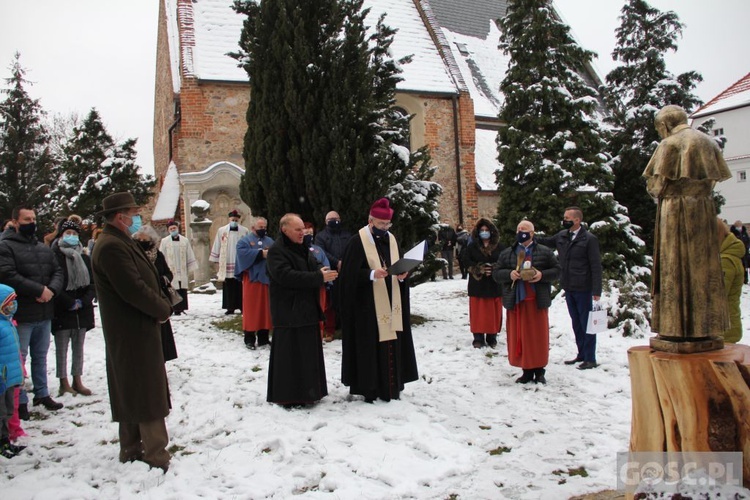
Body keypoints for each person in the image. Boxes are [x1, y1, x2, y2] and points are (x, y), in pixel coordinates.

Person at [91, 192, 173, 471]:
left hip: (133, 328)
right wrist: (162, 308)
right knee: (145, 389)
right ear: (120, 217)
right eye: (133, 213)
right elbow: (133, 289)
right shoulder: (111, 246)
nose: (137, 218)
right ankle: (155, 452)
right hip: (131, 328)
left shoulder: (120, 240)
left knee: (132, 386)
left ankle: (131, 447)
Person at [643, 105, 732, 343]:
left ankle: (676, 327)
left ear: (664, 124)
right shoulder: (709, 143)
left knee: (675, 264)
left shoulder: (669, 144)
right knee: (703, 265)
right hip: (703, 209)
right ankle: (706, 326)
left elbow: (657, 185)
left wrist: (656, 188)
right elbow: (713, 179)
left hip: (675, 209)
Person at [339, 198, 418, 402]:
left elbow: (398, 264)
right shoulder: (357, 242)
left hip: (392, 302)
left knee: (392, 343)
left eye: (388, 224)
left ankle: (392, 386)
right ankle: (370, 387)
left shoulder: (391, 239)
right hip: (367, 307)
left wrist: (402, 275)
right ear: (371, 221)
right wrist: (372, 274)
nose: (385, 228)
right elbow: (347, 275)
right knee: (370, 347)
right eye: (381, 224)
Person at [266, 214, 338, 406]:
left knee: (308, 355)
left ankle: (310, 392)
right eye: (298, 229)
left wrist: (323, 271)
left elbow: (314, 266)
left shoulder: (303, 248)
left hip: (307, 309)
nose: (302, 233)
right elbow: (285, 276)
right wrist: (317, 277)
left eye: (303, 229)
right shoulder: (276, 251)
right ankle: (289, 396)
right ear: (284, 229)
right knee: (290, 356)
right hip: (288, 311)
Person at [0, 204, 64, 417]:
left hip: (44, 311)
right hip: (22, 313)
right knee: (20, 360)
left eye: (34, 219)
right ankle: (20, 401)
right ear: (16, 222)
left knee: (41, 355)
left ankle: (42, 393)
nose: (32, 223)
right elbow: (8, 275)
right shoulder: (6, 246)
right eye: (27, 220)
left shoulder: (42, 247)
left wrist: (51, 290)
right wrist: (38, 290)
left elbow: (57, 270)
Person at [494, 220, 560, 384]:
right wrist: (509, 274)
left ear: (532, 233)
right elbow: (496, 273)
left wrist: (541, 275)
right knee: (520, 337)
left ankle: (539, 370)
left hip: (536, 301)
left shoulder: (544, 252)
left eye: (524, 229)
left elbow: (558, 270)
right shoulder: (508, 253)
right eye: (518, 229)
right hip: (517, 301)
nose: (520, 231)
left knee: (537, 337)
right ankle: (526, 370)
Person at [537, 207, 602, 370]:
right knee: (576, 322)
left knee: (586, 323)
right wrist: (531, 236)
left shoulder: (588, 239)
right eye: (564, 217)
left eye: (567, 217)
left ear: (577, 220)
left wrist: (596, 290)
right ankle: (581, 353)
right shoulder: (562, 236)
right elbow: (546, 241)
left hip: (584, 287)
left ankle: (590, 357)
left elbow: (596, 265)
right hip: (568, 286)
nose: (564, 220)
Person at [51, 220, 96, 396]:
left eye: (74, 233)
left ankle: (77, 379)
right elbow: (54, 283)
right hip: (63, 308)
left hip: (82, 309)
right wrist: (68, 302)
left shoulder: (84, 257)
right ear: (61, 235)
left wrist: (84, 301)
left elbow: (92, 283)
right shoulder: (55, 257)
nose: (71, 236)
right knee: (62, 346)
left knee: (79, 346)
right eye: (67, 233)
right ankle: (63, 381)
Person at [134, 225, 178, 362]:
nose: (142, 242)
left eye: (145, 239)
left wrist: (163, 279)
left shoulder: (157, 255)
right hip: (143, 297)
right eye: (139, 239)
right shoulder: (134, 256)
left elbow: (168, 273)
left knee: (161, 333)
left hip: (159, 297)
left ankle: (162, 360)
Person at [463, 218, 504, 348]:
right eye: (482, 230)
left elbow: (505, 261)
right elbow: (465, 261)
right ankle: (478, 337)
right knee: (478, 312)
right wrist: (478, 269)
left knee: (493, 312)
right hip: (478, 285)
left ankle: (492, 336)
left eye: (487, 230)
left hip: (494, 284)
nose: (484, 232)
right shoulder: (472, 247)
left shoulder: (500, 247)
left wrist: (494, 268)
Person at [235, 217, 274, 350]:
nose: (262, 230)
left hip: (266, 279)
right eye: (260, 227)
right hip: (251, 280)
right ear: (253, 228)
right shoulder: (244, 241)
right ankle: (249, 338)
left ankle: (263, 337)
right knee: (251, 309)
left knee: (265, 309)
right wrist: (260, 254)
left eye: (264, 227)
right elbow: (242, 254)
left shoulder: (270, 241)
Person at [315, 211, 352, 341]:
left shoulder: (347, 235)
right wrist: (337, 262)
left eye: (336, 218)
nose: (334, 221)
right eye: (331, 219)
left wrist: (345, 262)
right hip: (331, 273)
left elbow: (351, 249)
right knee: (330, 303)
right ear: (326, 222)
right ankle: (329, 330)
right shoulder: (321, 236)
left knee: (347, 301)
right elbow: (322, 252)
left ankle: (347, 329)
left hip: (346, 272)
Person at [0, 284, 26, 458]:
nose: (13, 306)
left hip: (9, 377)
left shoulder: (8, 323)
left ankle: (5, 441)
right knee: (0, 412)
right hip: (1, 378)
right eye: (9, 303)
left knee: (8, 411)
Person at [209, 210, 249, 315]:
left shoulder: (244, 231)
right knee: (229, 285)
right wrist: (216, 259)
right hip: (226, 261)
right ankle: (229, 307)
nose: (234, 221)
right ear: (229, 219)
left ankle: (242, 306)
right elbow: (217, 243)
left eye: (236, 220)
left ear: (239, 220)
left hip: (239, 262)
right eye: (232, 220)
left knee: (240, 284)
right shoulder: (222, 231)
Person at [159, 220, 198, 315]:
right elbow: (161, 255)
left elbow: (189, 253)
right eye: (171, 229)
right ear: (168, 230)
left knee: (182, 288)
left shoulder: (185, 240)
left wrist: (190, 265)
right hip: (171, 268)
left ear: (178, 228)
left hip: (182, 267)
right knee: (173, 287)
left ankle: (182, 307)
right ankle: (174, 308)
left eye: (174, 228)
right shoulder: (164, 241)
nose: (173, 230)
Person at [718, 219, 745, 343]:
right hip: (724, 327)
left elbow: (717, 294)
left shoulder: (725, 260)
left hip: (723, 329)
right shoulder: (726, 256)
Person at [303, 222, 331, 339]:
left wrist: (327, 279)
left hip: (320, 286)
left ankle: (319, 334)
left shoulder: (318, 250)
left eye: (311, 232)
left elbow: (326, 265)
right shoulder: (298, 250)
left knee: (320, 309)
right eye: (306, 232)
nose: (309, 235)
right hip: (305, 286)